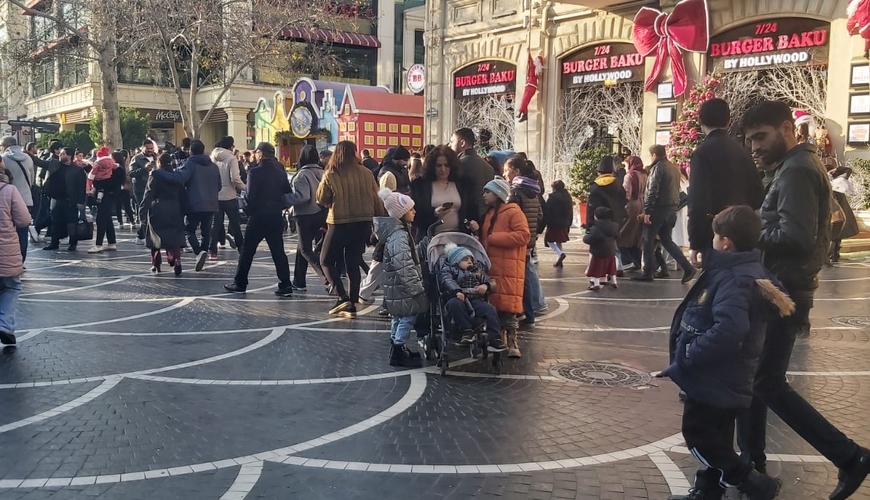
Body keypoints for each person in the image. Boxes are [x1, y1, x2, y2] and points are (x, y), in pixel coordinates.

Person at [740, 100, 870, 500]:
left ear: (786, 129)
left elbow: (795, 238)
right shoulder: (795, 167)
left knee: (765, 383)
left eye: (760, 137)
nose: (754, 147)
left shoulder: (796, 170)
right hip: (782, 289)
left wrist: (748, 232)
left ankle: (849, 457)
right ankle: (752, 466)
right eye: (749, 141)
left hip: (785, 292)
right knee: (755, 382)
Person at [662, 206, 794, 500]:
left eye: (714, 235)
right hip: (728, 375)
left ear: (726, 243)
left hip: (714, 375)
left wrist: (691, 353)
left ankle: (754, 483)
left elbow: (730, 329)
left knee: (698, 436)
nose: (711, 240)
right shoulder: (745, 270)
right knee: (718, 437)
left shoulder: (733, 277)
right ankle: (708, 491)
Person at [687, 98, 765, 268]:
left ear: (700, 120)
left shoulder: (702, 153)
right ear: (729, 121)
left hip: (716, 235)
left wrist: (696, 242)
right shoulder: (742, 152)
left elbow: (698, 200)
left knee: (718, 284)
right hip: (743, 235)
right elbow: (758, 193)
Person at [316, 141, 385, 318]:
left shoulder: (331, 172)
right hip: (363, 223)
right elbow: (377, 198)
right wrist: (379, 220)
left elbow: (322, 198)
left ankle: (342, 297)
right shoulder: (366, 172)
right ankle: (352, 302)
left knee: (326, 260)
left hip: (339, 223)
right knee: (353, 262)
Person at [223, 142, 294, 296]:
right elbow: (287, 192)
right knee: (278, 252)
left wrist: (248, 212)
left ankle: (240, 283)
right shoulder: (280, 171)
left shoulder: (255, 172)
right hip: (275, 216)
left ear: (260, 154)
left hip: (258, 217)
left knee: (247, 251)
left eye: (256, 153)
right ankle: (285, 284)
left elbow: (249, 197)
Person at [479, 178, 530, 358]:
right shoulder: (489, 214)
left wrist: (494, 238)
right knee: (495, 307)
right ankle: (499, 339)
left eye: (488, 192)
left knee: (508, 310)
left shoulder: (513, 212)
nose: (484, 195)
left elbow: (523, 235)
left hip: (509, 269)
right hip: (493, 267)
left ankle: (513, 341)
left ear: (498, 194)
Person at [377, 188, 428, 367]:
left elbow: (408, 257)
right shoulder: (399, 235)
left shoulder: (399, 231)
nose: (414, 211)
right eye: (411, 209)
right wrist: (416, 288)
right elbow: (404, 264)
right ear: (401, 213)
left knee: (399, 317)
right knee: (407, 317)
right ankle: (398, 348)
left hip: (396, 286)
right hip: (402, 287)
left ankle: (396, 345)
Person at [152, 140, 222, 272]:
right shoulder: (213, 166)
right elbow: (218, 186)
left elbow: (179, 178)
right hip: (211, 203)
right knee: (206, 231)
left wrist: (158, 172)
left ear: (191, 151)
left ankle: (198, 252)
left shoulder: (191, 163)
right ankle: (203, 251)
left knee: (189, 230)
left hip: (194, 203)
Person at [632, 145, 697, 284]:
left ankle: (648, 271)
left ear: (654, 155)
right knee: (666, 240)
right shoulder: (673, 168)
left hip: (658, 209)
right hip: (671, 208)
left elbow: (652, 189)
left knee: (648, 239)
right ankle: (687, 267)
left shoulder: (657, 168)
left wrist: (648, 210)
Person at [440, 243, 507, 351]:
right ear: (456, 261)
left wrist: (486, 285)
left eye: (471, 259)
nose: (470, 261)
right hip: (458, 298)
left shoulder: (477, 270)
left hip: (475, 300)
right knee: (454, 304)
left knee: (490, 309)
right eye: (465, 259)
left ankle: (495, 338)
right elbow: (447, 281)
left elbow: (490, 280)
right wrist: (457, 291)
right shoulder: (448, 270)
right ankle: (467, 331)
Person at [504, 156, 545, 325]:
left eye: (507, 170)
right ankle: (530, 311)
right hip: (530, 240)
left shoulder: (515, 191)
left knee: (521, 278)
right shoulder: (533, 190)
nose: (504, 174)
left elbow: (509, 215)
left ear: (517, 171)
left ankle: (527, 312)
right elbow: (540, 215)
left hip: (518, 240)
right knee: (526, 274)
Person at [410, 145, 478, 238]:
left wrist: (473, 222)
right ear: (432, 166)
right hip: (431, 238)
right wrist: (433, 213)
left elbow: (472, 210)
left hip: (459, 237)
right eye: (438, 165)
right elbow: (415, 215)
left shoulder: (464, 184)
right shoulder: (420, 185)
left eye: (447, 165)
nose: (443, 169)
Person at [285, 145, 328, 291]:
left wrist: (285, 198)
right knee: (301, 248)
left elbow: (302, 197)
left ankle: (328, 277)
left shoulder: (302, 174)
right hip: (321, 212)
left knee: (305, 250)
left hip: (305, 215)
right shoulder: (323, 172)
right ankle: (299, 281)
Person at [0, 160, 30, 347]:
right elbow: (24, 220)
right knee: (11, 287)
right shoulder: (9, 190)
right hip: (6, 249)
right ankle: (4, 325)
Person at [143, 153, 187, 275]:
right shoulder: (177, 177)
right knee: (174, 237)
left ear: (159, 163)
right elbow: (183, 195)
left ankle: (156, 264)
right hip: (175, 207)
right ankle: (176, 260)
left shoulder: (155, 175)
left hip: (158, 207)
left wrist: (142, 211)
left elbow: (148, 194)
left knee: (155, 238)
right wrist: (184, 210)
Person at [1, 137, 38, 261]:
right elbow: (32, 180)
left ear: (5, 145)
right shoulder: (28, 158)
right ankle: (21, 260)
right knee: (23, 232)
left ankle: (10, 261)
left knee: (8, 232)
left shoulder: (4, 158)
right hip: (26, 200)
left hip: (8, 199)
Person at [43, 147, 86, 252]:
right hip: (56, 199)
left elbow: (81, 187)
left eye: (63, 154)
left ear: (69, 156)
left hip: (70, 200)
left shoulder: (77, 170)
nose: (60, 156)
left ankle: (73, 243)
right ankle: (54, 243)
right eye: (60, 154)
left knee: (71, 222)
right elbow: (41, 163)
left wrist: (80, 202)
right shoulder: (56, 165)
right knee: (55, 222)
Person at [209, 136, 245, 259]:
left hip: (215, 195)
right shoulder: (231, 158)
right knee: (235, 224)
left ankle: (212, 250)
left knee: (216, 224)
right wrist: (245, 188)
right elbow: (235, 177)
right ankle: (241, 249)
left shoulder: (212, 157)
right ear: (231, 146)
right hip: (229, 195)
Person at [450, 128, 495, 218]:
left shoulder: (458, 165)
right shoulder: (488, 167)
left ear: (462, 143)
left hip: (465, 218)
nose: (450, 145)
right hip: (486, 218)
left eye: (452, 141)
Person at [86, 149, 125, 253]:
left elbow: (108, 183)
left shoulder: (117, 170)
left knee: (101, 219)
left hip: (107, 195)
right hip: (109, 195)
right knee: (107, 219)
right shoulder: (118, 169)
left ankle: (98, 244)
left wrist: (99, 183)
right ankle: (111, 242)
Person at [618, 156, 648, 271]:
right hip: (642, 204)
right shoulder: (645, 174)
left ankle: (627, 261)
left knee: (623, 234)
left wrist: (622, 207)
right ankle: (636, 261)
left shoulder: (629, 176)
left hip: (631, 206)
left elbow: (627, 193)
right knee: (637, 236)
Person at [583, 206, 619, 291]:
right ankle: (614, 282)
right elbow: (618, 236)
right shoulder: (614, 226)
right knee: (611, 268)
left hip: (598, 252)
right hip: (610, 251)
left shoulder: (596, 227)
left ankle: (596, 284)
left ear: (597, 216)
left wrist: (585, 238)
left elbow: (592, 238)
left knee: (596, 268)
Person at [130, 139, 158, 244]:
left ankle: (147, 234)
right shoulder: (137, 158)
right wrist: (144, 169)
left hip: (154, 187)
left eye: (151, 148)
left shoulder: (156, 157)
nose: (150, 150)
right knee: (144, 211)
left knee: (153, 211)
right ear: (143, 148)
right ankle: (141, 235)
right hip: (141, 189)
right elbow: (131, 173)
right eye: (148, 149)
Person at [829, 166, 860, 263]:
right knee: (834, 235)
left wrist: (836, 169)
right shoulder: (832, 181)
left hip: (838, 211)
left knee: (836, 235)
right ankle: (832, 255)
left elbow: (848, 169)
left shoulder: (837, 181)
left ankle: (833, 255)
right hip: (835, 211)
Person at [542, 180, 573, 268]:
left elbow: (547, 210)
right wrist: (569, 222)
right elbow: (570, 211)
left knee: (549, 240)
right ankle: (559, 260)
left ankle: (560, 253)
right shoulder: (567, 197)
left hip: (553, 223)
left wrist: (545, 222)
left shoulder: (552, 198)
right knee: (559, 241)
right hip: (564, 222)